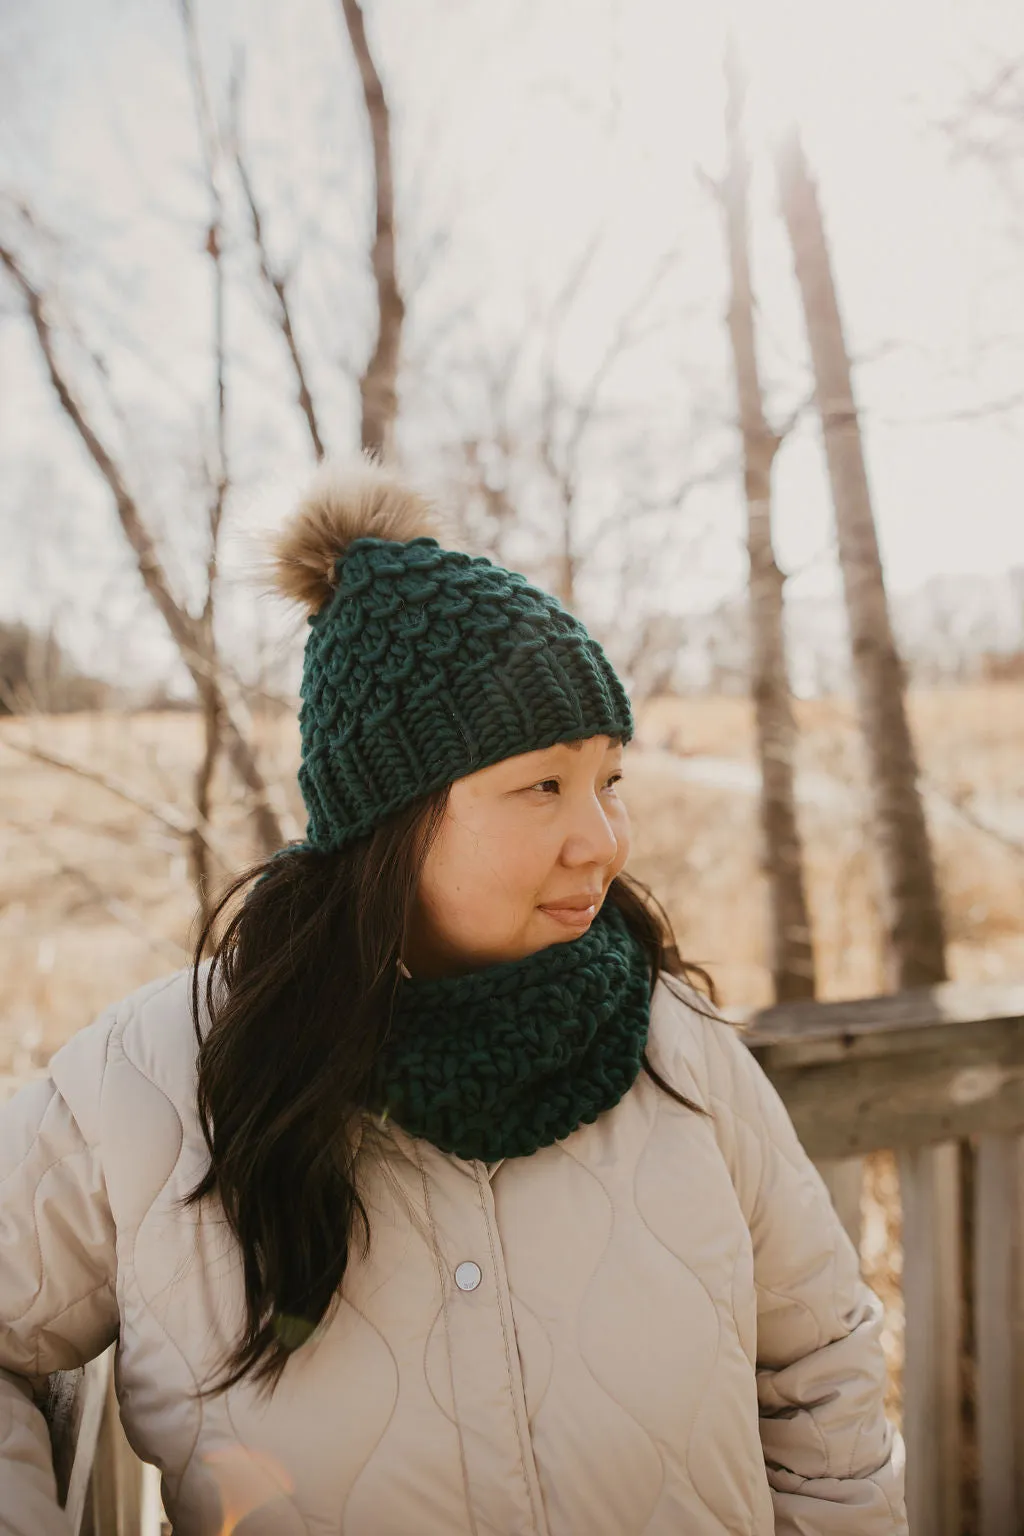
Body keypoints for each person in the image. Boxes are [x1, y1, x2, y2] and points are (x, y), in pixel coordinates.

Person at [0, 461, 906, 1536]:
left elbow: (823, 1363)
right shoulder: (147, 1079)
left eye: (609, 778)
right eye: (543, 786)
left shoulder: (681, 1046)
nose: (604, 840)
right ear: (390, 817)